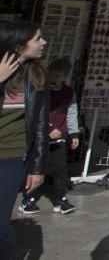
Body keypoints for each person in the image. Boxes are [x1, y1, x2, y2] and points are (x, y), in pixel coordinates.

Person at [0, 22, 47, 255]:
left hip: (11, 156)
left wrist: (37, 167)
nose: (43, 43)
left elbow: (39, 123)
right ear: (19, 45)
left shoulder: (35, 75)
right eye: (38, 38)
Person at [19, 57, 77, 215]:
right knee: (36, 167)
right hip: (42, 135)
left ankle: (60, 199)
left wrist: (74, 133)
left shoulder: (68, 92)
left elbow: (71, 113)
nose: (53, 79)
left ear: (64, 77)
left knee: (60, 168)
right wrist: (49, 128)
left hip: (60, 137)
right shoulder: (41, 90)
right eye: (51, 75)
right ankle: (28, 199)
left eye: (57, 77)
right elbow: (37, 113)